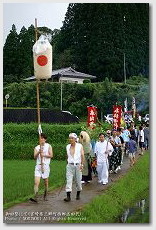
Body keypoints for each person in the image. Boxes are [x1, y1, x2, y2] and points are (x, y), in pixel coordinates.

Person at [30, 133, 53, 202]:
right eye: (40, 138)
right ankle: (36, 197)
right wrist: (38, 152)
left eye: (43, 138)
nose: (41, 139)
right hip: (38, 166)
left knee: (46, 182)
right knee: (36, 182)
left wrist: (44, 155)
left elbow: (51, 155)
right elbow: (34, 157)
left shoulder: (48, 146)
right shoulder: (36, 147)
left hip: (45, 166)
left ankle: (45, 195)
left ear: (45, 139)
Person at [64, 133, 85, 202]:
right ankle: (68, 196)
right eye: (70, 138)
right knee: (69, 180)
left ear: (75, 139)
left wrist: (82, 164)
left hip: (78, 165)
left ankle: (78, 193)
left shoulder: (79, 146)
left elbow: (82, 155)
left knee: (78, 181)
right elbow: (67, 155)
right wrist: (67, 163)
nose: (70, 139)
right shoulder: (67, 146)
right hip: (70, 165)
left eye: (72, 138)